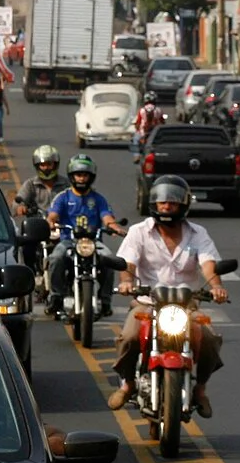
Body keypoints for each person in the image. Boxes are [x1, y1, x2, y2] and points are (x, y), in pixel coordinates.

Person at [107, 176, 228, 417]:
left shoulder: (198, 234)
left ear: (183, 204)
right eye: (161, 202)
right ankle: (128, 383)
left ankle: (200, 389)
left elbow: (208, 266)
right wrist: (127, 283)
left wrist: (216, 287)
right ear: (153, 203)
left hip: (187, 307)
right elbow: (127, 264)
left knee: (209, 339)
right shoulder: (139, 232)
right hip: (147, 303)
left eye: (172, 202)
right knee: (129, 336)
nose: (166, 206)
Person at [45, 154, 126, 318]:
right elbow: (53, 215)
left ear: (91, 177)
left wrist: (115, 227)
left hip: (93, 242)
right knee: (55, 259)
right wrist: (51, 222)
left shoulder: (98, 199)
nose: (81, 178)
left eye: (85, 175)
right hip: (69, 241)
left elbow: (107, 217)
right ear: (72, 176)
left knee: (109, 259)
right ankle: (56, 296)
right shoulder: (63, 197)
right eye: (78, 175)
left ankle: (105, 300)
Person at [14, 145, 68, 218]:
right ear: (37, 166)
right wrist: (20, 207)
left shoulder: (66, 184)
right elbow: (19, 199)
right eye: (42, 165)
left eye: (49, 164)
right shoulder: (31, 184)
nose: (46, 168)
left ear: (55, 165)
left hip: (62, 224)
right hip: (38, 224)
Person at [131, 90, 165, 163]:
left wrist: (137, 128)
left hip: (143, 132)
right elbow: (162, 122)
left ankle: (136, 156)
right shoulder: (159, 110)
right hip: (155, 132)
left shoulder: (142, 110)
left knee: (135, 140)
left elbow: (138, 122)